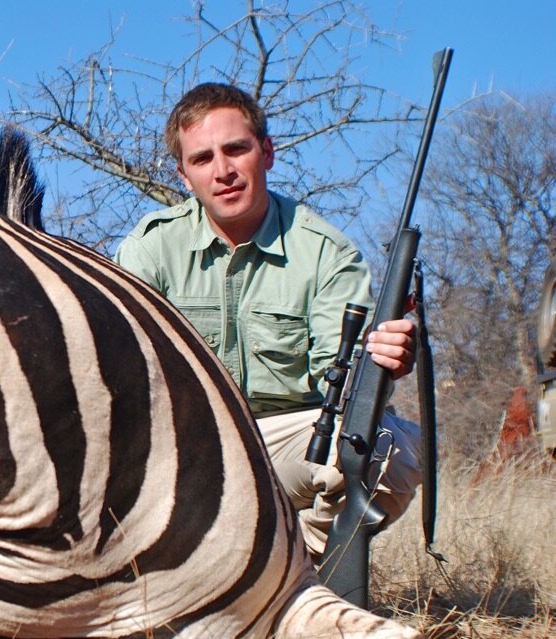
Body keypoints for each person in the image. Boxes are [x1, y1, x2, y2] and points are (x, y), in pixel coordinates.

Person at [115, 82, 421, 560]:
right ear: (183, 175)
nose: (223, 172)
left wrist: (386, 363)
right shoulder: (150, 248)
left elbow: (342, 384)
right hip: (187, 450)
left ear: (267, 152)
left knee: (388, 448)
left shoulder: (326, 252)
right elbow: (124, 374)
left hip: (285, 446)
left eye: (237, 149)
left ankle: (296, 577)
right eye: (202, 159)